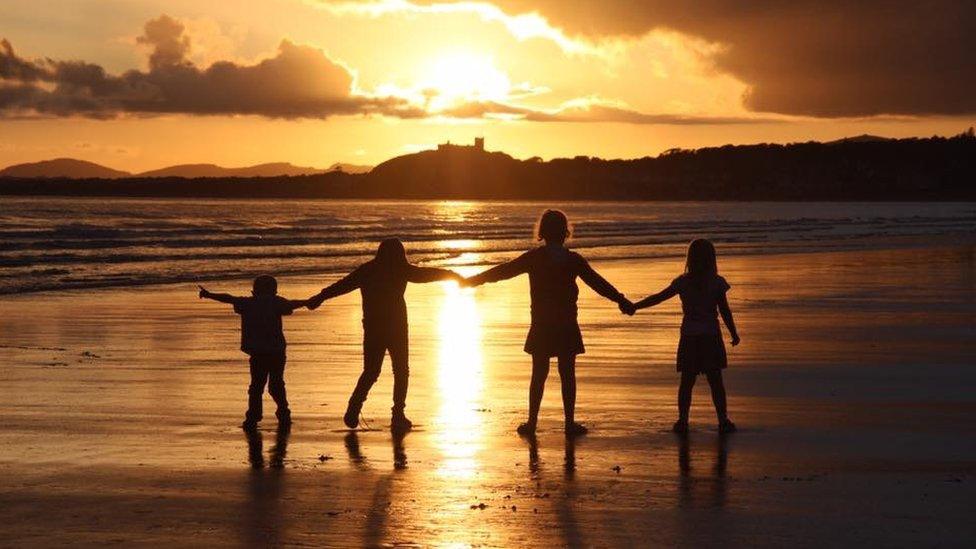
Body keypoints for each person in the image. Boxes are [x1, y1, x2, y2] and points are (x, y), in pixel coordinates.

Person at [464, 209, 632, 437]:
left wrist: (474, 280)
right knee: (567, 374)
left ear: (542, 232)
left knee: (539, 374)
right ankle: (569, 423)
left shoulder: (535, 258)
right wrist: (620, 300)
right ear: (565, 233)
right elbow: (597, 283)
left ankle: (532, 422)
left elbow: (504, 271)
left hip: (543, 324)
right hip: (565, 324)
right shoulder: (573, 260)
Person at [307, 238, 463, 432]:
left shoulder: (368, 269)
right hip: (396, 326)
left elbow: (342, 285)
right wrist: (452, 275)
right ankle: (397, 414)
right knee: (400, 370)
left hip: (373, 326)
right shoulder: (401, 269)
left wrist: (320, 297)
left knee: (371, 371)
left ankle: (354, 407)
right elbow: (427, 274)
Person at [626, 239, 740, 434]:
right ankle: (722, 420)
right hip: (710, 336)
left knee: (687, 381)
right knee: (716, 382)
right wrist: (733, 332)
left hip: (689, 336)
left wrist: (635, 306)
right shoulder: (717, 282)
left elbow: (659, 297)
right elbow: (724, 310)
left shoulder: (683, 282)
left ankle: (683, 420)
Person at [198, 275, 310, 431]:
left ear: (254, 291)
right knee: (276, 385)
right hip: (276, 351)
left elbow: (229, 298)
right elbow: (293, 304)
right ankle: (283, 412)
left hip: (258, 352)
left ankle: (253, 417)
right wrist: (309, 301)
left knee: (257, 386)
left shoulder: (248, 303)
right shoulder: (276, 302)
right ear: (275, 291)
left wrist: (209, 295)